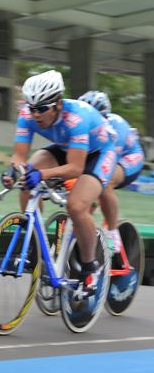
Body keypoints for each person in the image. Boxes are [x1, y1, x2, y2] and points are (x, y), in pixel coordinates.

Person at [1, 71, 117, 295]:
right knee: (26, 177)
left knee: (76, 206)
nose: (35, 114)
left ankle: (88, 266)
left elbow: (75, 168)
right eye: (32, 108)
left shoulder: (77, 117)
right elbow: (19, 158)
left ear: (58, 104)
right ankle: (35, 241)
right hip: (65, 147)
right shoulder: (27, 114)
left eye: (42, 109)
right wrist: (12, 171)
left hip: (99, 154)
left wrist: (42, 176)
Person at [78, 90, 144, 253]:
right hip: (107, 157)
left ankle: (112, 232)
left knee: (104, 181)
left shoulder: (116, 127)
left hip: (129, 158)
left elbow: (105, 164)